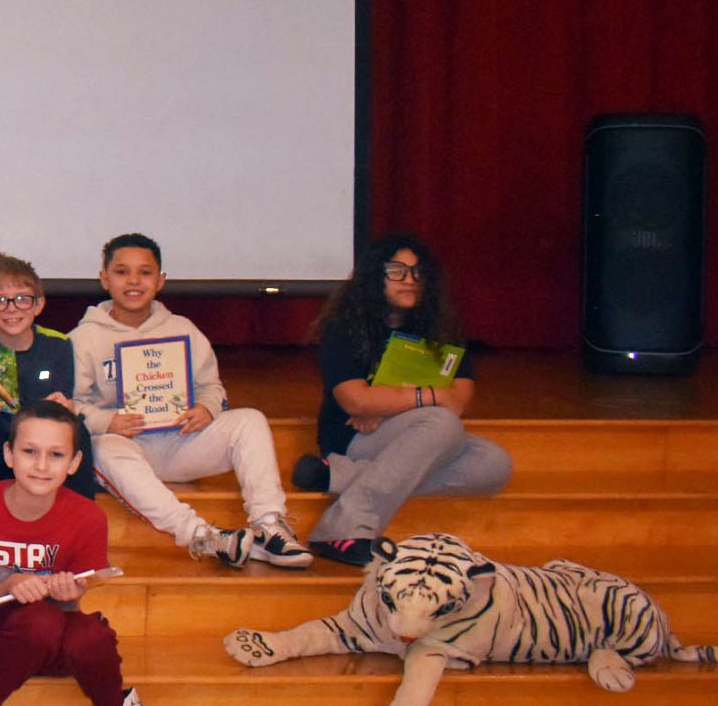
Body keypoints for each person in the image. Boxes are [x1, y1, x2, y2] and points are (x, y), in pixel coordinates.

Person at [0, 399, 189, 706]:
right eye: (30, 451)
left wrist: (69, 594)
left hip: (46, 635)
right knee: (40, 620)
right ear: (9, 454)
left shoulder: (88, 517)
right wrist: (11, 583)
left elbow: (68, 610)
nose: (42, 465)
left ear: (75, 463)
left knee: (87, 634)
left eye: (56, 455)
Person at [69, 232, 307, 569]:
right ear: (104, 279)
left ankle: (269, 526)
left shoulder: (182, 329)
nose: (134, 281)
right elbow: (71, 406)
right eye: (122, 272)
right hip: (125, 447)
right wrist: (106, 421)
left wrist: (207, 409)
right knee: (102, 447)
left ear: (161, 280)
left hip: (179, 441)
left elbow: (212, 387)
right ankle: (204, 536)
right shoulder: (83, 339)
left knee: (250, 419)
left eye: (145, 272)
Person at [296, 235, 512, 566]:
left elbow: (460, 399)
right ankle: (342, 528)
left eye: (417, 272)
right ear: (374, 277)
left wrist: (388, 405)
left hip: (415, 436)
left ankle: (339, 477)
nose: (409, 280)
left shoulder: (440, 328)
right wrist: (431, 395)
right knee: (441, 422)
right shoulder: (344, 328)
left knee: (493, 463)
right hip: (356, 437)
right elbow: (356, 402)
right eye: (397, 271)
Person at [0, 251, 98, 563]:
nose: (11, 309)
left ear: (39, 304)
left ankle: (82, 526)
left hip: (40, 433)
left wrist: (64, 406)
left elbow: (61, 399)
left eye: (22, 299)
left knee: (77, 430)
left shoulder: (58, 344)